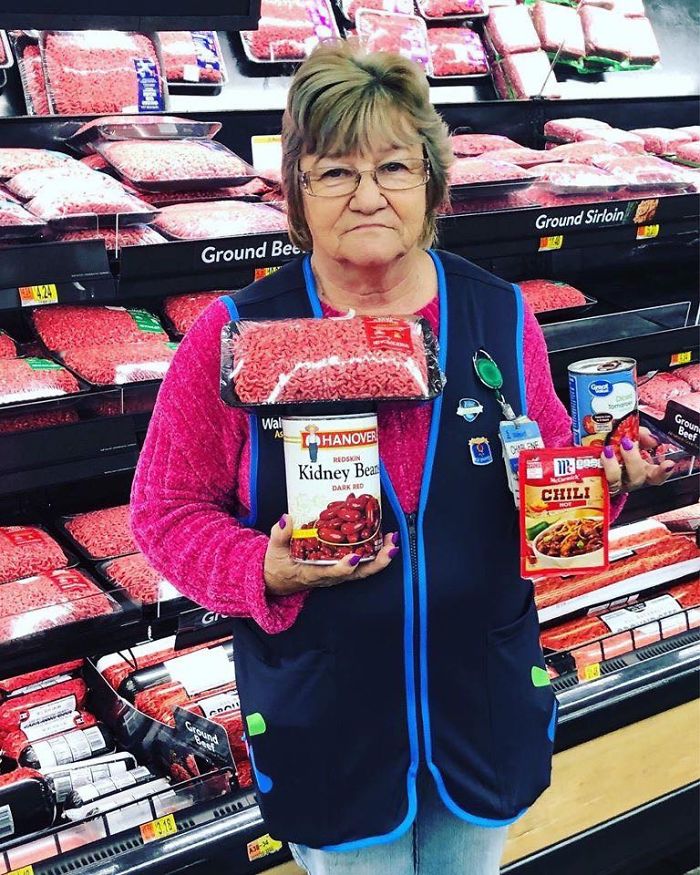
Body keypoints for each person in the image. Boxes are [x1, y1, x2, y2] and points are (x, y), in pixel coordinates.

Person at [131, 41, 674, 875]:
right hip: (331, 724)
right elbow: (165, 510)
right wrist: (260, 568)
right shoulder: (236, 334)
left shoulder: (498, 316)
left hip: (479, 709)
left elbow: (551, 487)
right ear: (296, 193)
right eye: (335, 172)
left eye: (392, 165)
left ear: (431, 179)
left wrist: (603, 484)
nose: (368, 194)